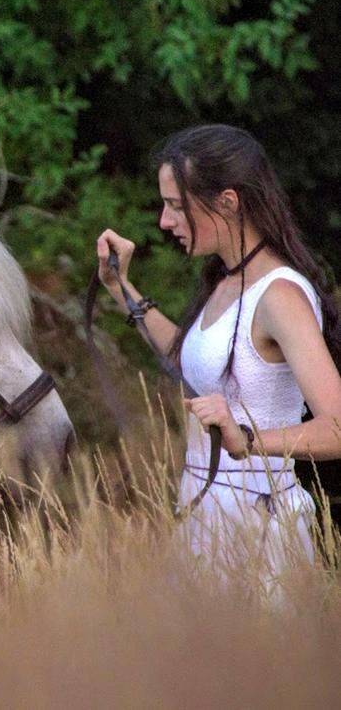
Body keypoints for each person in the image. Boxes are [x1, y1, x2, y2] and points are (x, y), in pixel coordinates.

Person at [95, 124, 341, 588]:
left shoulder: (279, 294)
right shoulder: (228, 280)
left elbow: (337, 427)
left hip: (257, 527)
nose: (165, 222)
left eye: (175, 205)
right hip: (207, 513)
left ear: (228, 202)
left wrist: (247, 439)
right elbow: (192, 361)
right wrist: (120, 288)